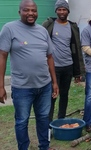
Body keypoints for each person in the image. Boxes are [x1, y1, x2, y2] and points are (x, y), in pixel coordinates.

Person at [0, 0, 59, 149]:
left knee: (44, 118)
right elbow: (2, 56)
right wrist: (0, 86)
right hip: (22, 88)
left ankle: (44, 146)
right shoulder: (9, 29)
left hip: (44, 86)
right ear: (20, 12)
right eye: (26, 10)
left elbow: (50, 57)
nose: (31, 13)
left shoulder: (42, 30)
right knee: (22, 121)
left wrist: (54, 82)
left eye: (33, 10)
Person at [42, 0, 84, 125]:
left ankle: (60, 121)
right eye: (59, 9)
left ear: (68, 11)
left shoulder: (72, 27)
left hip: (68, 66)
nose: (61, 12)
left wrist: (78, 72)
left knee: (64, 95)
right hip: (53, 67)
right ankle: (48, 124)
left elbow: (77, 49)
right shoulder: (49, 24)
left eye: (64, 9)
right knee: (52, 96)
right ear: (56, 11)